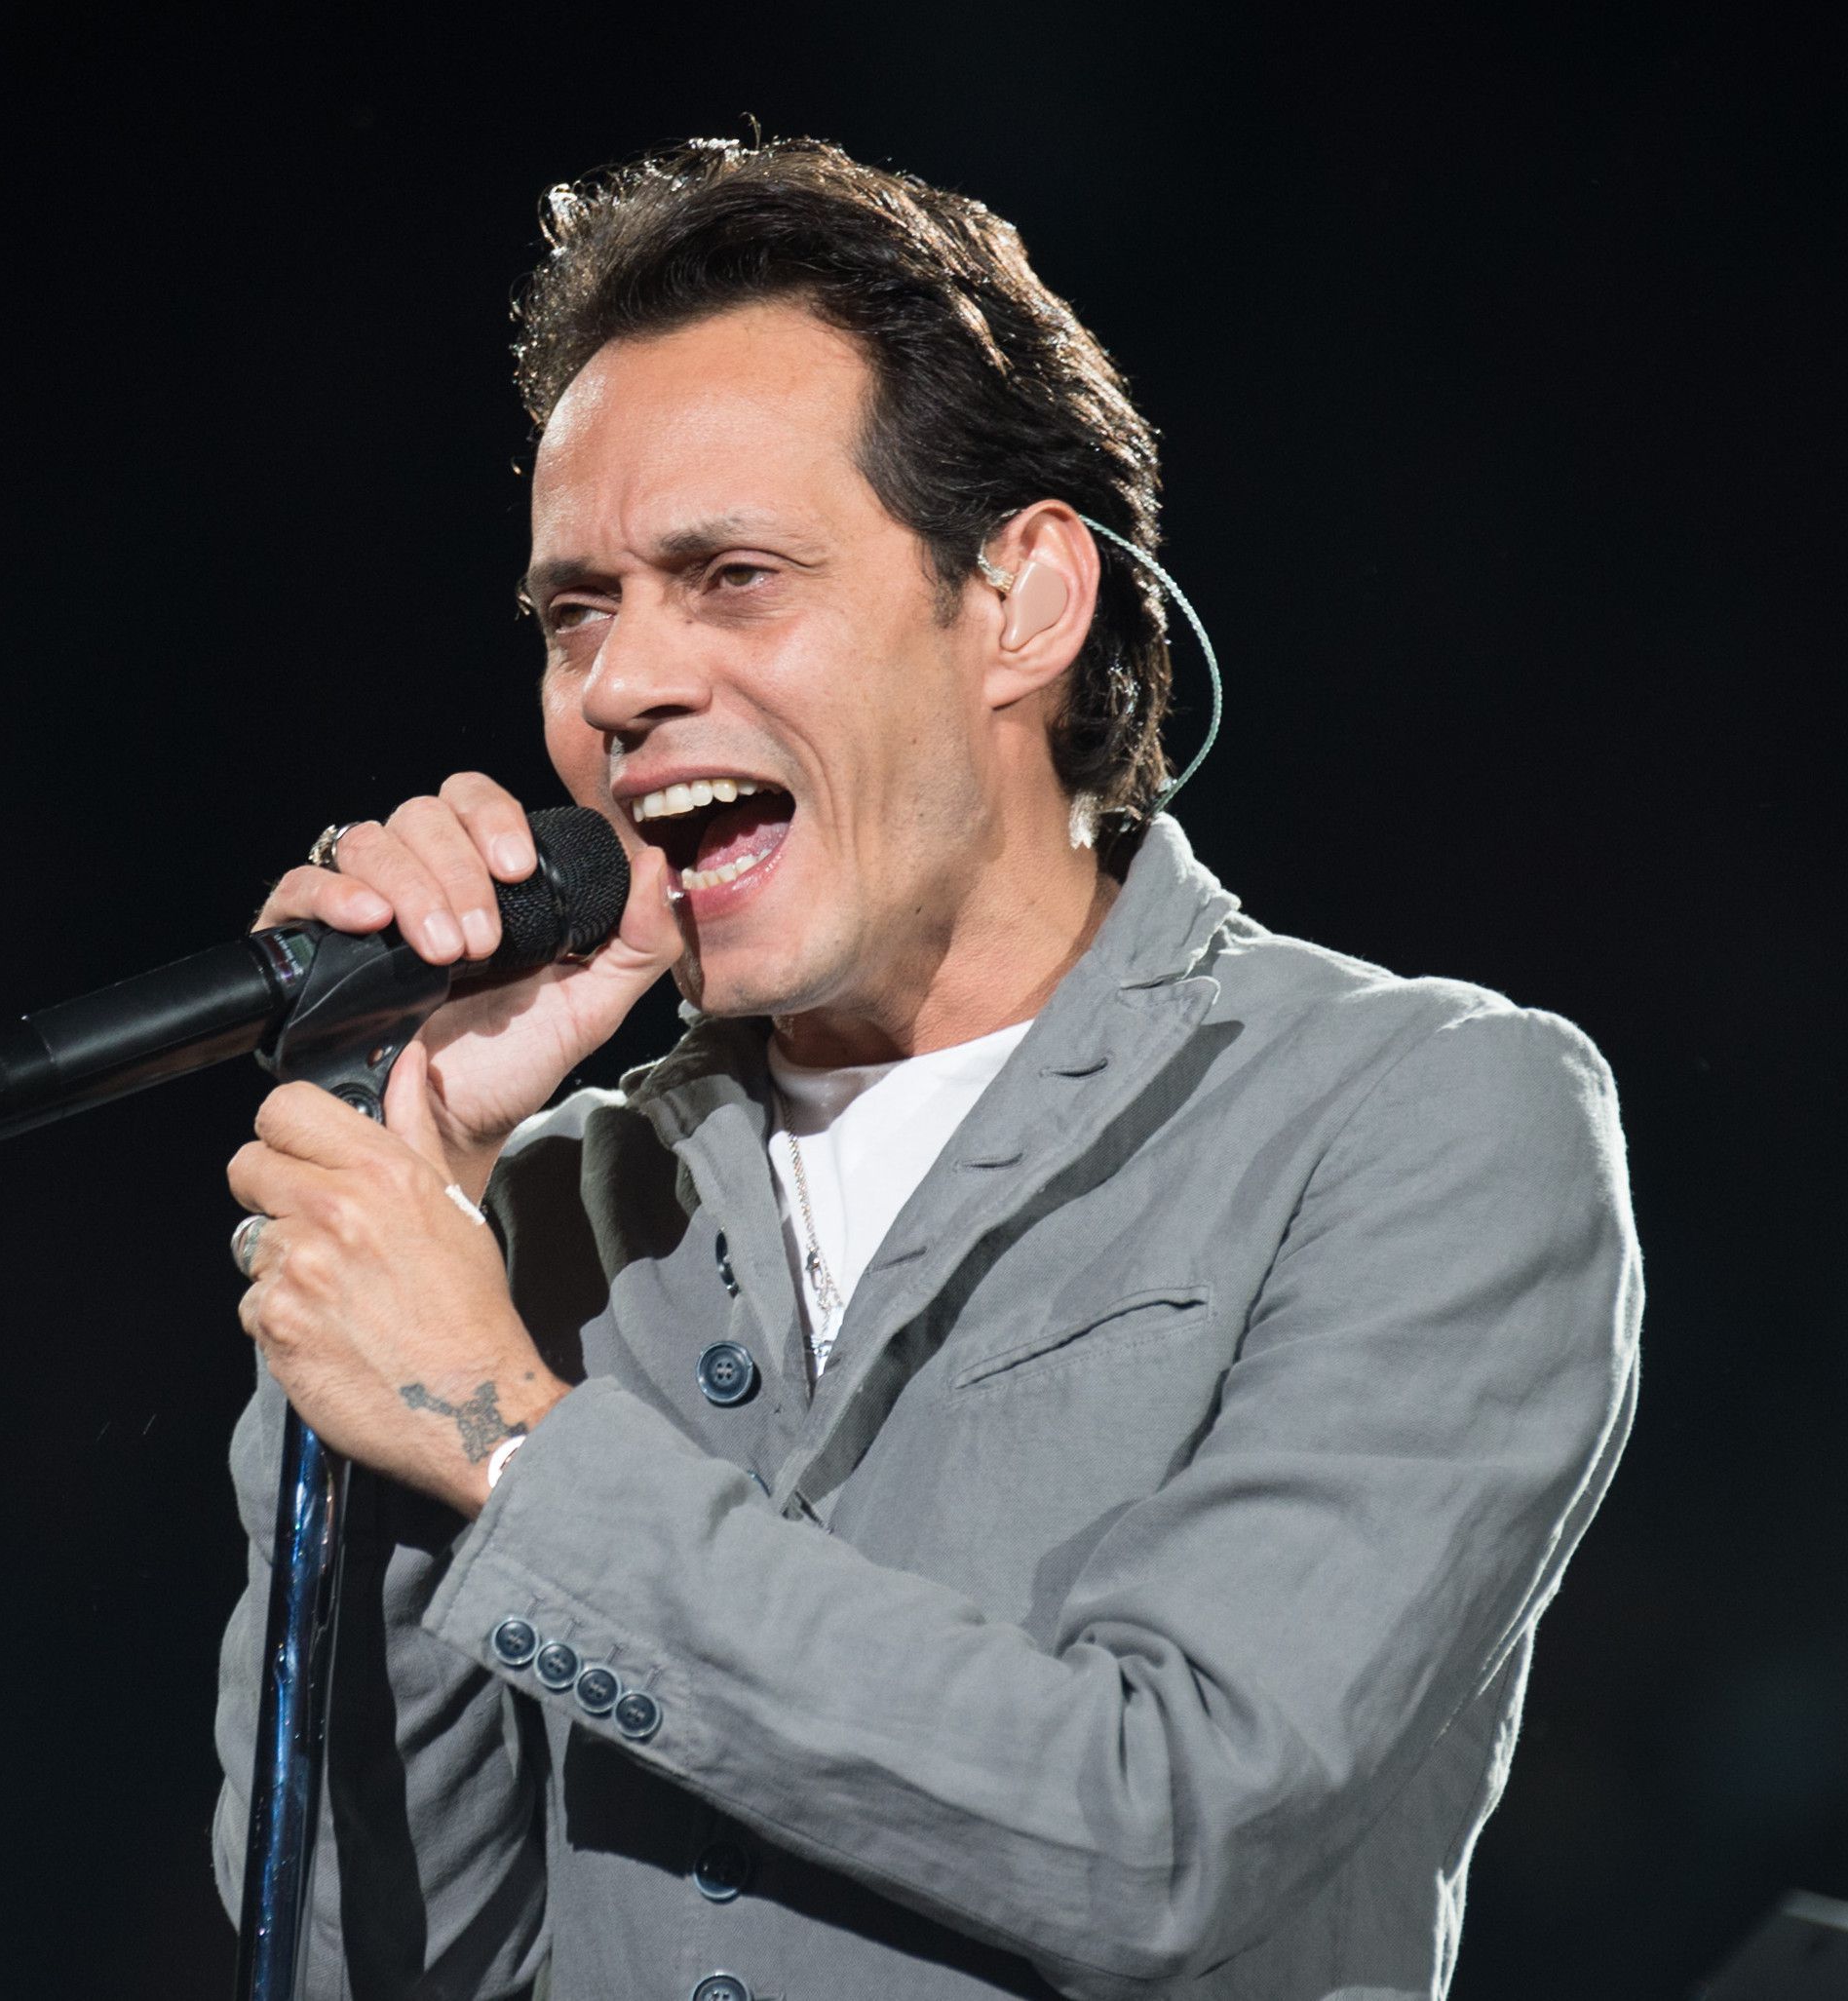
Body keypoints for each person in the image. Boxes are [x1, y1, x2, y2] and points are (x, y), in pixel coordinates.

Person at [212, 136, 1641, 2001]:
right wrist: (406, 1186)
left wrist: (507, 1434)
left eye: (731, 575)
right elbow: (364, 1964)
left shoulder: (1413, 1115)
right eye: (576, 612)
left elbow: (1167, 1827)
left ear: (1025, 600)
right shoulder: (545, 1212)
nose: (619, 686)